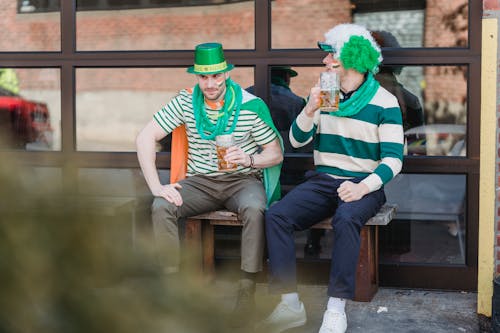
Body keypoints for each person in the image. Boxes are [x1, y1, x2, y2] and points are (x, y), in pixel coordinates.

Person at [257, 24, 404, 333]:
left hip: (364, 183)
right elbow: (297, 140)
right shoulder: (326, 95)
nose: (324, 62)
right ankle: (288, 304)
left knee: (347, 218)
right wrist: (309, 108)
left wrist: (363, 186)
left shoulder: (385, 102)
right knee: (277, 216)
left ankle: (336, 309)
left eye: (331, 56)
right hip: (324, 180)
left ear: (350, 59)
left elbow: (393, 160)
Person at [135, 42, 283, 325]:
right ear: (197, 77)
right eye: (204, 76)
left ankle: (246, 289)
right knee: (161, 205)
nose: (210, 83)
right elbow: (144, 137)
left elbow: (274, 153)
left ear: (226, 73)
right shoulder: (185, 102)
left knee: (255, 209)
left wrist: (249, 159)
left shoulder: (250, 107)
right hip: (200, 182)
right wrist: (157, 187)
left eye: (216, 75)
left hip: (241, 180)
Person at [246, 66, 306, 152]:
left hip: (250, 156)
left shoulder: (244, 97)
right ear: (286, 77)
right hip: (287, 157)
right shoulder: (298, 102)